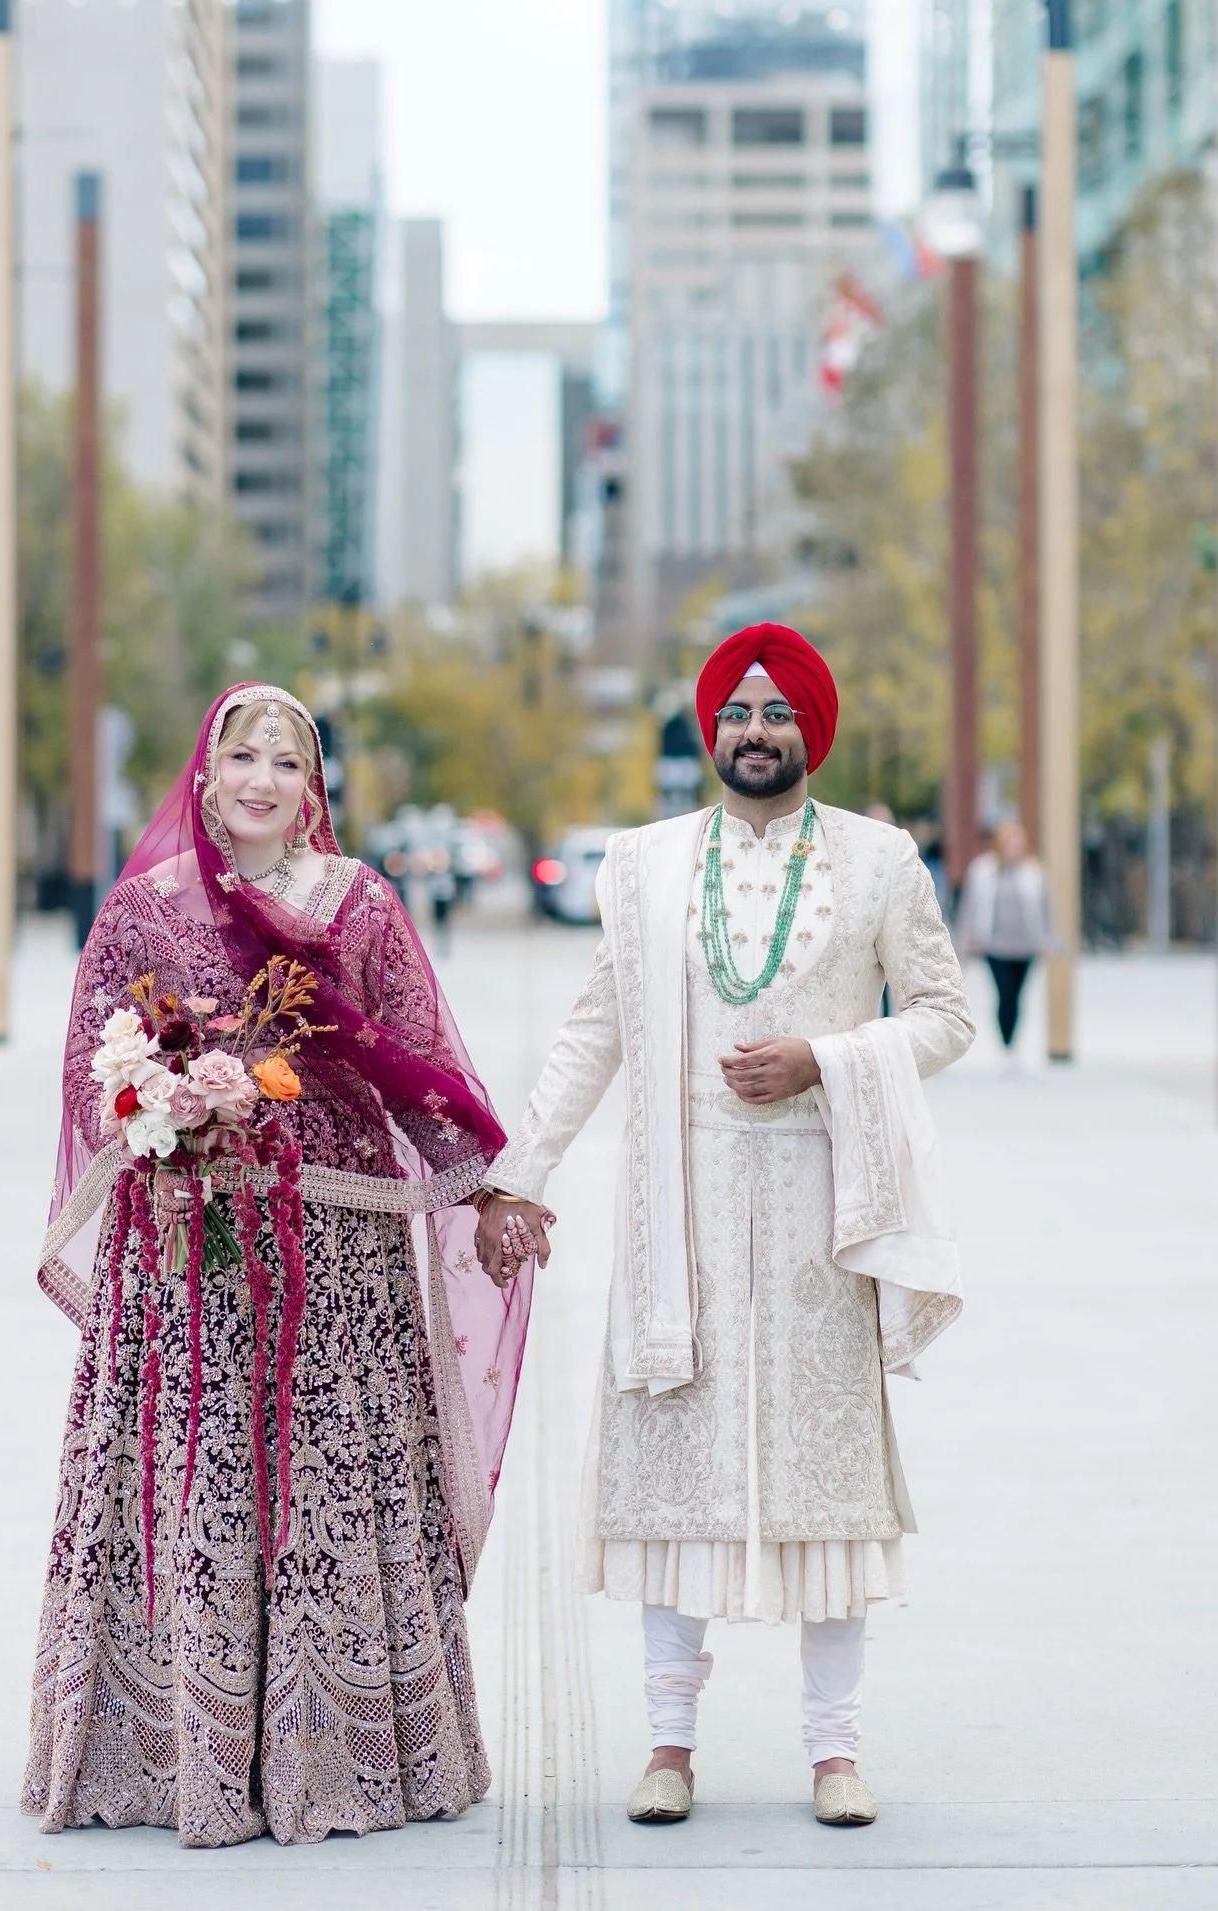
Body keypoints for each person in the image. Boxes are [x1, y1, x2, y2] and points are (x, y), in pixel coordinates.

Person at [476, 624, 974, 1829]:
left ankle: (835, 1751)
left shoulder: (879, 860)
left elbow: (948, 1017)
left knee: (824, 1479)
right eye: (737, 714)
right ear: (711, 732)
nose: (757, 732)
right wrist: (518, 1173)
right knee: (679, 1475)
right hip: (681, 1214)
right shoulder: (643, 864)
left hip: (822, 1215)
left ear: (814, 727)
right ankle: (668, 1745)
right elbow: (599, 1029)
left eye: (779, 714)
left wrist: (829, 1057)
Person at [22, 684, 534, 1847]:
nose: (261, 779)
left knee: (325, 1480)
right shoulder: (144, 909)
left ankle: (341, 1756)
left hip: (337, 1256)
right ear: (203, 776)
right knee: (195, 1477)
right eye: (240, 756)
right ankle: (167, 1757)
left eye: (287, 763)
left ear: (314, 793)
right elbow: (87, 1068)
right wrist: (160, 1112)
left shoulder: (362, 905)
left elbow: (418, 1057)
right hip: (187, 1259)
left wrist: (493, 1184)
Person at [956, 821, 1051, 1066]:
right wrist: (966, 941)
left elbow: (1046, 909)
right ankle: (1007, 1046)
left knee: (1017, 996)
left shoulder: (1033, 872)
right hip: (995, 945)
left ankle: (1013, 1041)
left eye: (1017, 843)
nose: (1013, 848)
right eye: (1009, 843)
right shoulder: (982, 871)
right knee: (1004, 993)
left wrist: (1048, 940)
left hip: (1025, 946)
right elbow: (970, 907)